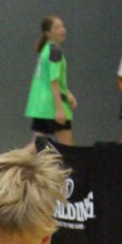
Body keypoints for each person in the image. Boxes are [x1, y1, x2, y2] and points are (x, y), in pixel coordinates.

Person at [25, 15, 78, 148]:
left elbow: (51, 79)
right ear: (48, 33)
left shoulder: (46, 50)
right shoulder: (54, 51)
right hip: (52, 106)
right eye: (57, 27)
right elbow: (53, 81)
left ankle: (2, 161)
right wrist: (59, 109)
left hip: (41, 107)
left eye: (62, 26)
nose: (62, 30)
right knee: (67, 150)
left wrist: (68, 94)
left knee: (34, 148)